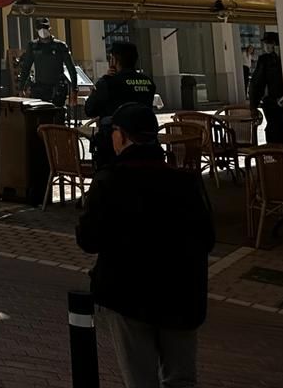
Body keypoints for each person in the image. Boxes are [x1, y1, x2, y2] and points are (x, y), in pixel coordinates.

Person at [76, 101, 215, 388]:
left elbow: (87, 239)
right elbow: (208, 238)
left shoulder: (110, 182)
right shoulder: (186, 182)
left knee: (140, 381)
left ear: (122, 136)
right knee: (181, 379)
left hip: (128, 296)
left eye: (114, 131)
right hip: (182, 294)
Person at [84, 41, 159, 167]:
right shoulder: (148, 82)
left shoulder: (109, 83)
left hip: (114, 147)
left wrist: (102, 82)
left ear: (114, 60)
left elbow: (89, 110)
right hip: (146, 144)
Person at [17, 18, 77, 108]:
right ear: (37, 30)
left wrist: (74, 90)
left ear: (49, 29)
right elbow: (26, 67)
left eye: (45, 28)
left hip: (57, 88)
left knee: (57, 114)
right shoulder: (33, 46)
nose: (43, 31)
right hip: (40, 88)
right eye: (40, 28)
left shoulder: (60, 46)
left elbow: (71, 68)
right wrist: (21, 88)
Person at [248, 31, 283, 144]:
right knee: (277, 131)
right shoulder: (266, 60)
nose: (267, 46)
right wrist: (253, 105)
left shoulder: (270, 59)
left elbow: (256, 83)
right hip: (272, 102)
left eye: (269, 43)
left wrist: (253, 105)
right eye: (266, 43)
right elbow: (256, 83)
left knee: (277, 132)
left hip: (275, 102)